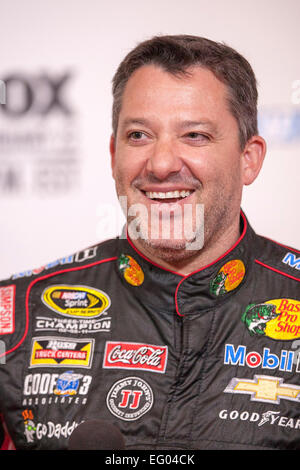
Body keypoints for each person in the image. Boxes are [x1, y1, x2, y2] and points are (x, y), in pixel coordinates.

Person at [0, 34, 299, 451]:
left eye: (194, 136)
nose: (160, 165)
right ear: (112, 154)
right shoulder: (15, 316)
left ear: (249, 158)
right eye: (139, 135)